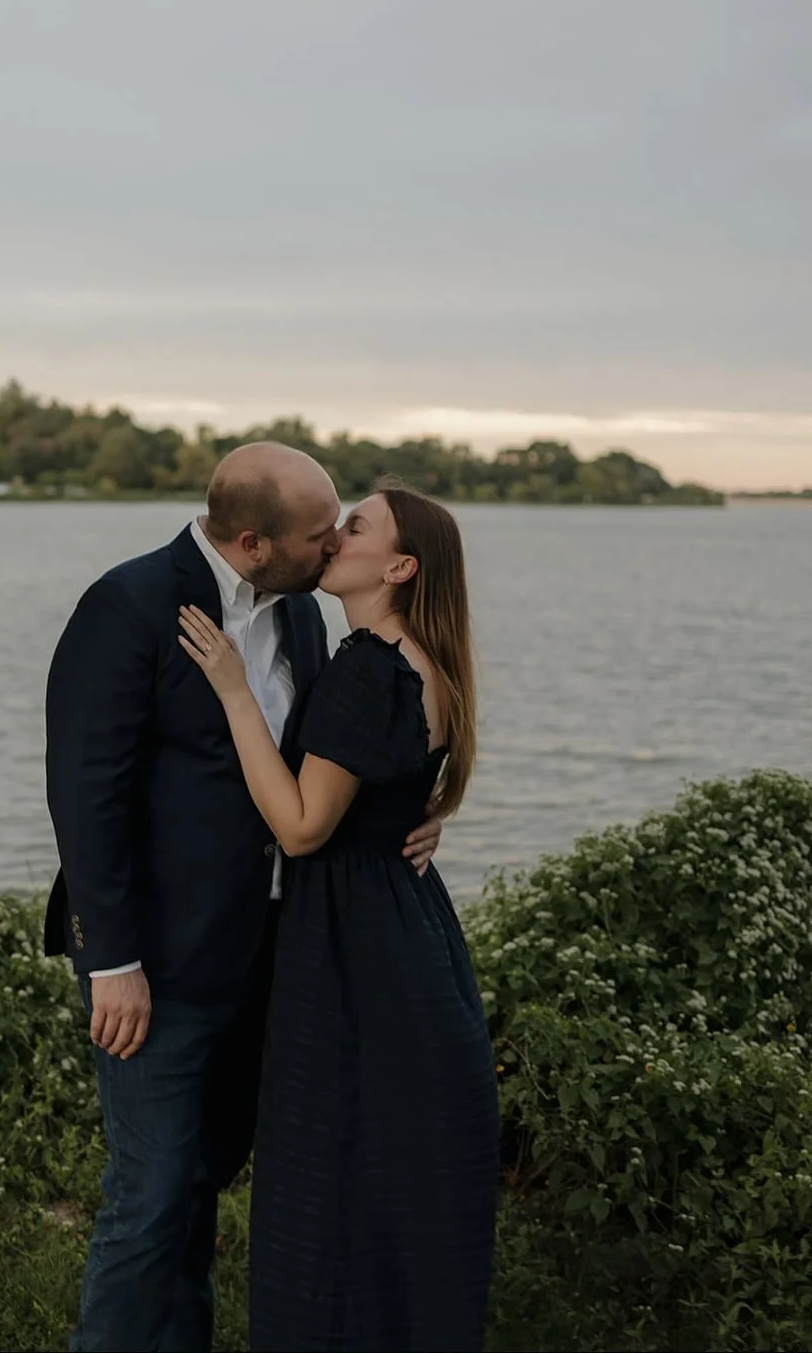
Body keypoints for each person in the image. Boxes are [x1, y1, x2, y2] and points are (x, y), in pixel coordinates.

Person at [43, 443, 443, 1353]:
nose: (334, 541)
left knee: (201, 1182)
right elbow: (84, 793)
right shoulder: (130, 604)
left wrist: (412, 819)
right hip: (156, 962)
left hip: (271, 949)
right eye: (318, 532)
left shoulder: (305, 616)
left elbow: (324, 767)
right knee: (147, 1198)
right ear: (254, 542)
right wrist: (113, 960)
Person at [179, 479, 499, 1353]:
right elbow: (389, 794)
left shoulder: (364, 666)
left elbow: (302, 826)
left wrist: (234, 690)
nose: (330, 537)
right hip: (411, 935)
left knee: (331, 1177)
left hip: (356, 951)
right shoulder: (420, 661)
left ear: (396, 565)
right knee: (396, 1180)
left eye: (353, 527)